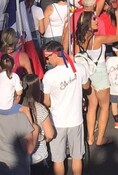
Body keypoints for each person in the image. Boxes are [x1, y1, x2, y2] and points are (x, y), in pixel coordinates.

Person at [41, 41, 87, 175]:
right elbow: (86, 86)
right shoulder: (79, 68)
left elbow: (46, 102)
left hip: (57, 122)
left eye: (48, 58)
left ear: (55, 55)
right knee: (77, 156)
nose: (47, 61)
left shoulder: (49, 76)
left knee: (58, 159)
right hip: (76, 119)